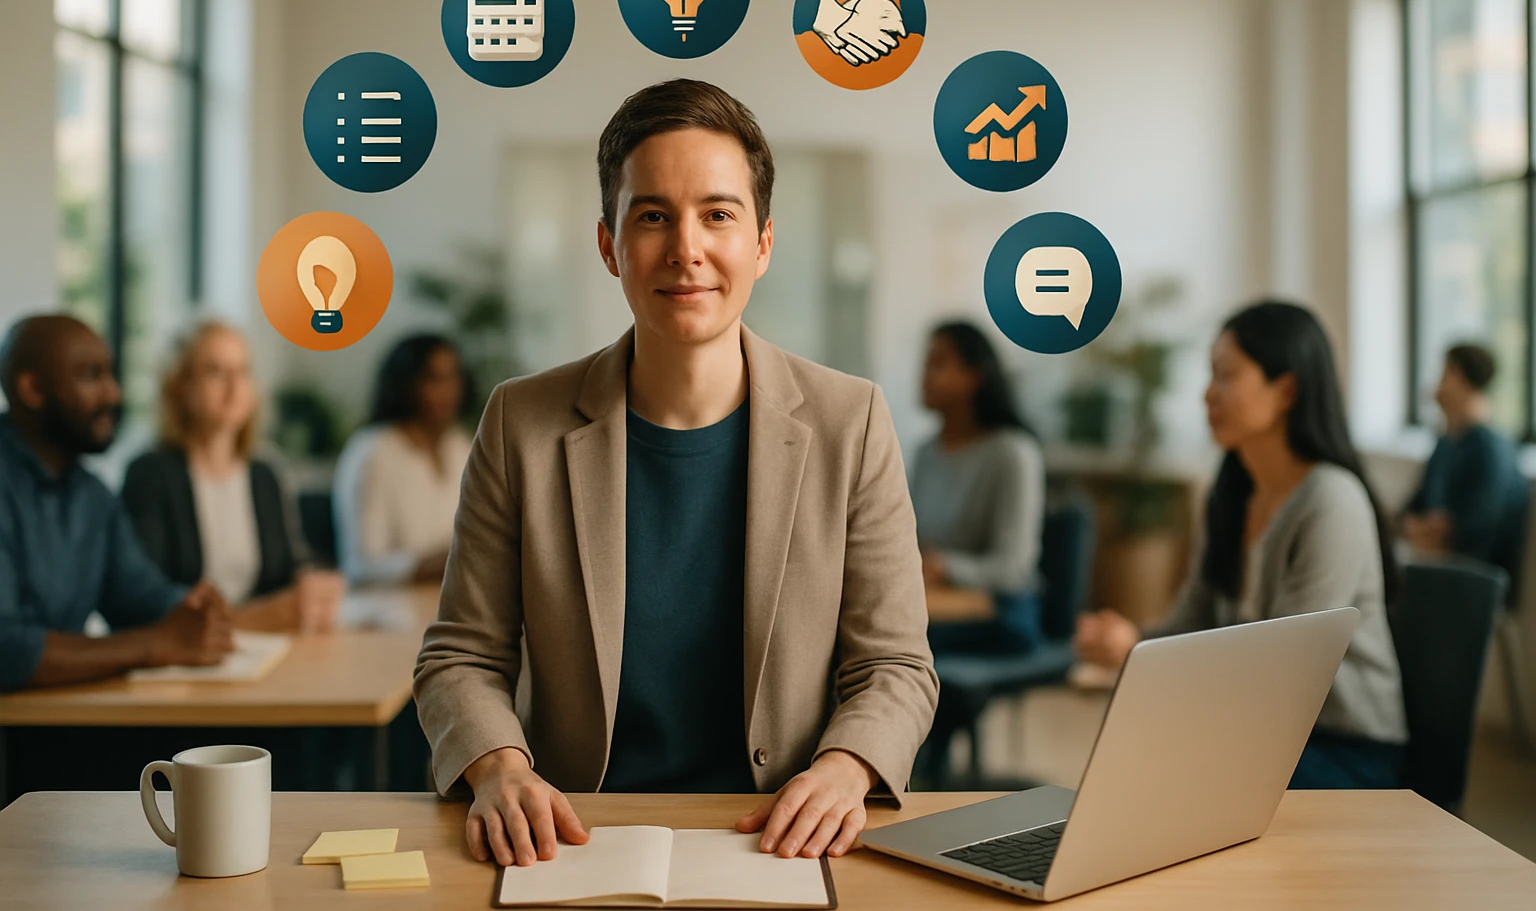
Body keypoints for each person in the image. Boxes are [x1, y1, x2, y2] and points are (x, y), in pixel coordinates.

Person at [414, 79, 937, 871]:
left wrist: (845, 767)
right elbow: (462, 656)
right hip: (571, 837)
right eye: (652, 215)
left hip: (780, 839)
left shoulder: (850, 422)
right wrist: (499, 767)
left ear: (762, 243)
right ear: (608, 244)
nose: (685, 248)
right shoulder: (521, 422)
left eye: (718, 215)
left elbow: (895, 665)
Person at [1074, 301, 1408, 789]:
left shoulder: (1330, 500)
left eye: (1226, 376)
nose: (1207, 395)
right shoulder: (1231, 493)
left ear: (1287, 389)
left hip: (1345, 748)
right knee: (1140, 752)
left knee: (1174, 773)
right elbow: (1192, 621)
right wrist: (1133, 643)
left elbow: (1286, 674)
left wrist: (1138, 656)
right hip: (1263, 735)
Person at [0, 314, 234, 693]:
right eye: (91, 377)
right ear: (32, 389)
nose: (113, 394)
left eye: (110, 374)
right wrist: (154, 644)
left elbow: (138, 596)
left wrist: (194, 608)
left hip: (57, 722)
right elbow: (7, 649)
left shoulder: (92, 494)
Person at [121, 321, 345, 632]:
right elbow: (144, 599)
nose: (234, 386)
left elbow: (288, 563)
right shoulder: (150, 474)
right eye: (215, 371)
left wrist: (312, 580)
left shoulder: (264, 473)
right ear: (180, 387)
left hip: (262, 649)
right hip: (185, 656)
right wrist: (261, 616)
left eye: (243, 371)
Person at [910, 320, 1045, 655]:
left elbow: (1014, 568)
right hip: (937, 605)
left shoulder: (1012, 453)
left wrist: (945, 567)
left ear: (975, 376)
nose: (924, 375)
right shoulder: (926, 454)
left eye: (938, 363)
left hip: (1000, 614)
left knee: (889, 648)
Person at [332, 334, 473, 585]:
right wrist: (430, 564)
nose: (448, 390)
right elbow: (360, 566)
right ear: (406, 384)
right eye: (434, 379)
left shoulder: (461, 446)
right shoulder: (373, 453)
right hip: (388, 611)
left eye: (453, 377)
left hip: (453, 603)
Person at [1402, 343, 1528, 580]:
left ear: (1457, 375)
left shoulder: (1491, 450)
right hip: (1435, 565)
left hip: (1472, 581)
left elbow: (1474, 529)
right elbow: (1412, 510)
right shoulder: (1445, 443)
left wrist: (1432, 530)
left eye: (1443, 372)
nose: (1435, 383)